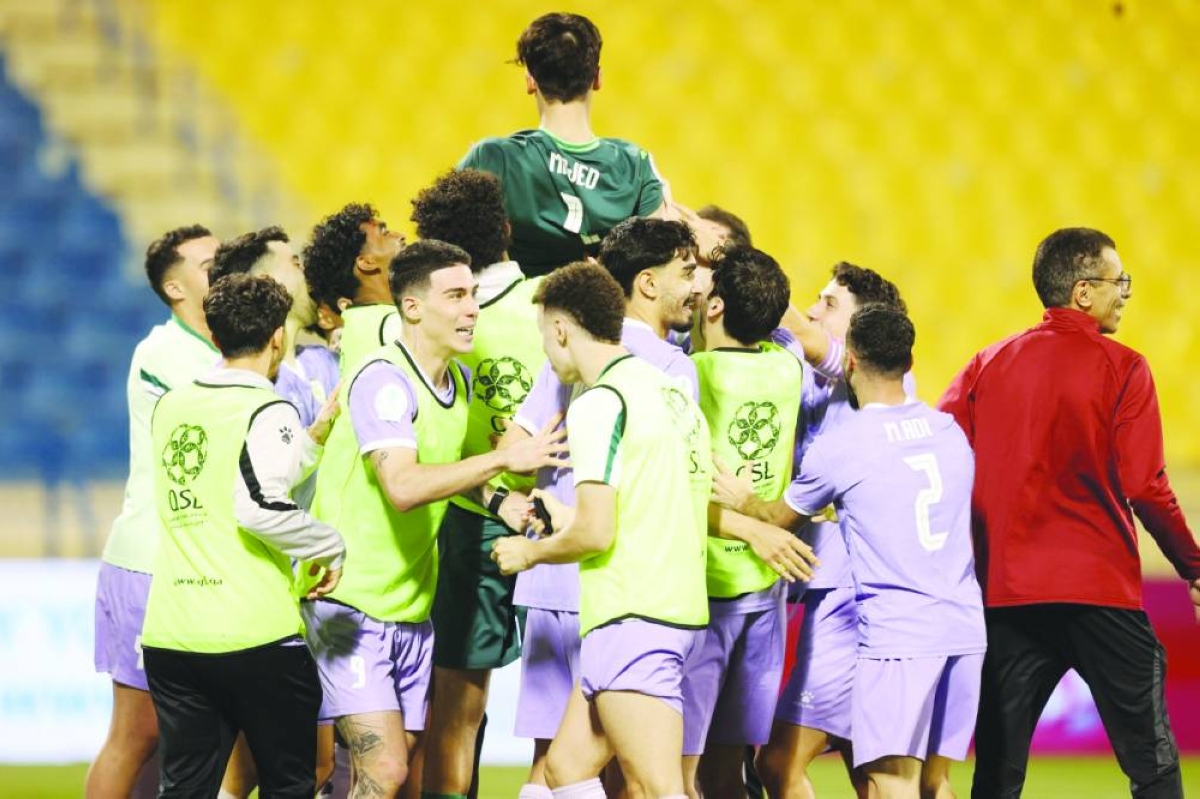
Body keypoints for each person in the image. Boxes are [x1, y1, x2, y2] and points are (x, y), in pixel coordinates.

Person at [938, 227, 1200, 799]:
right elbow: (1147, 485)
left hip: (1006, 595)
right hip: (1098, 593)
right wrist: (1193, 565)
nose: (1125, 292)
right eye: (1118, 281)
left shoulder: (987, 363)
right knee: (1152, 766)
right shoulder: (1125, 368)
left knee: (998, 774)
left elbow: (940, 458)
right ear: (1083, 291)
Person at [301, 241, 567, 798]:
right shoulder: (383, 379)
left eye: (472, 294)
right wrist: (501, 458)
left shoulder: (459, 383)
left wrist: (500, 501)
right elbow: (402, 485)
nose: (471, 308)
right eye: (455, 296)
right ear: (413, 308)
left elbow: (450, 472)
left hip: (411, 609)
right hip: (349, 603)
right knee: (386, 770)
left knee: (392, 772)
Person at [716, 303, 986, 799]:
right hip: (965, 631)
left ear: (852, 362)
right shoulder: (950, 434)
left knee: (889, 781)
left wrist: (742, 499)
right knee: (935, 783)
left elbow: (779, 518)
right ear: (908, 362)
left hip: (900, 636)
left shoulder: (846, 445)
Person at [492, 261, 711, 799]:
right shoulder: (672, 393)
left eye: (544, 336)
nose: (545, 350)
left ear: (561, 329)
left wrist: (529, 552)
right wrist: (565, 517)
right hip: (661, 607)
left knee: (659, 789)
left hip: (634, 616)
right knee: (566, 771)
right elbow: (660, 506)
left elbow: (595, 534)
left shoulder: (599, 403)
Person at [141, 273, 346, 798]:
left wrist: (310, 439)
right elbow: (256, 505)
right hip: (253, 635)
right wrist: (328, 544)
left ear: (215, 334)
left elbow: (228, 473)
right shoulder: (267, 407)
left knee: (185, 789)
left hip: (172, 634)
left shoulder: (173, 405)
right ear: (278, 336)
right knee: (290, 784)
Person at [409, 168, 547, 798]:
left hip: (469, 522)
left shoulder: (419, 326)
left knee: (455, 716)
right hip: (566, 518)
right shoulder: (556, 301)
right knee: (584, 702)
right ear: (508, 230)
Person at [758, 262, 910, 798]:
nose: (815, 310)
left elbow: (801, 331)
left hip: (850, 596)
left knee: (779, 765)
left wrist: (735, 264)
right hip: (853, 591)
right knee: (873, 766)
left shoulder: (872, 379)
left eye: (829, 303)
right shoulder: (833, 383)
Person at [207, 227, 342, 798]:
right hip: (267, 587)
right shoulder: (253, 381)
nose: (305, 268)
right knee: (254, 770)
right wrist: (316, 437)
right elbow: (262, 488)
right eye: (292, 262)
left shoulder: (315, 360)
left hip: (309, 582)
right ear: (266, 282)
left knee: (311, 766)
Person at [88, 224, 220, 799]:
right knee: (137, 731)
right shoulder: (163, 353)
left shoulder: (217, 350)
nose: (224, 268)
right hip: (149, 562)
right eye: (209, 263)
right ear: (175, 287)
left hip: (193, 565)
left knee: (185, 735)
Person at [682, 246, 802, 798]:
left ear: (714, 308)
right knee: (732, 763)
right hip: (763, 586)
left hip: (702, 589)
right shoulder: (787, 368)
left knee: (682, 763)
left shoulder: (691, 372)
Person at [460, 12, 666, 275]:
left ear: (530, 81)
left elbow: (441, 254)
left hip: (516, 313)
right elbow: (658, 268)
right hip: (605, 313)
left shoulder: (492, 158)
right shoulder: (636, 164)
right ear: (597, 78)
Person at [303, 202, 406, 375]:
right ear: (366, 262)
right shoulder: (390, 325)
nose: (400, 236)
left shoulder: (357, 325)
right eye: (384, 233)